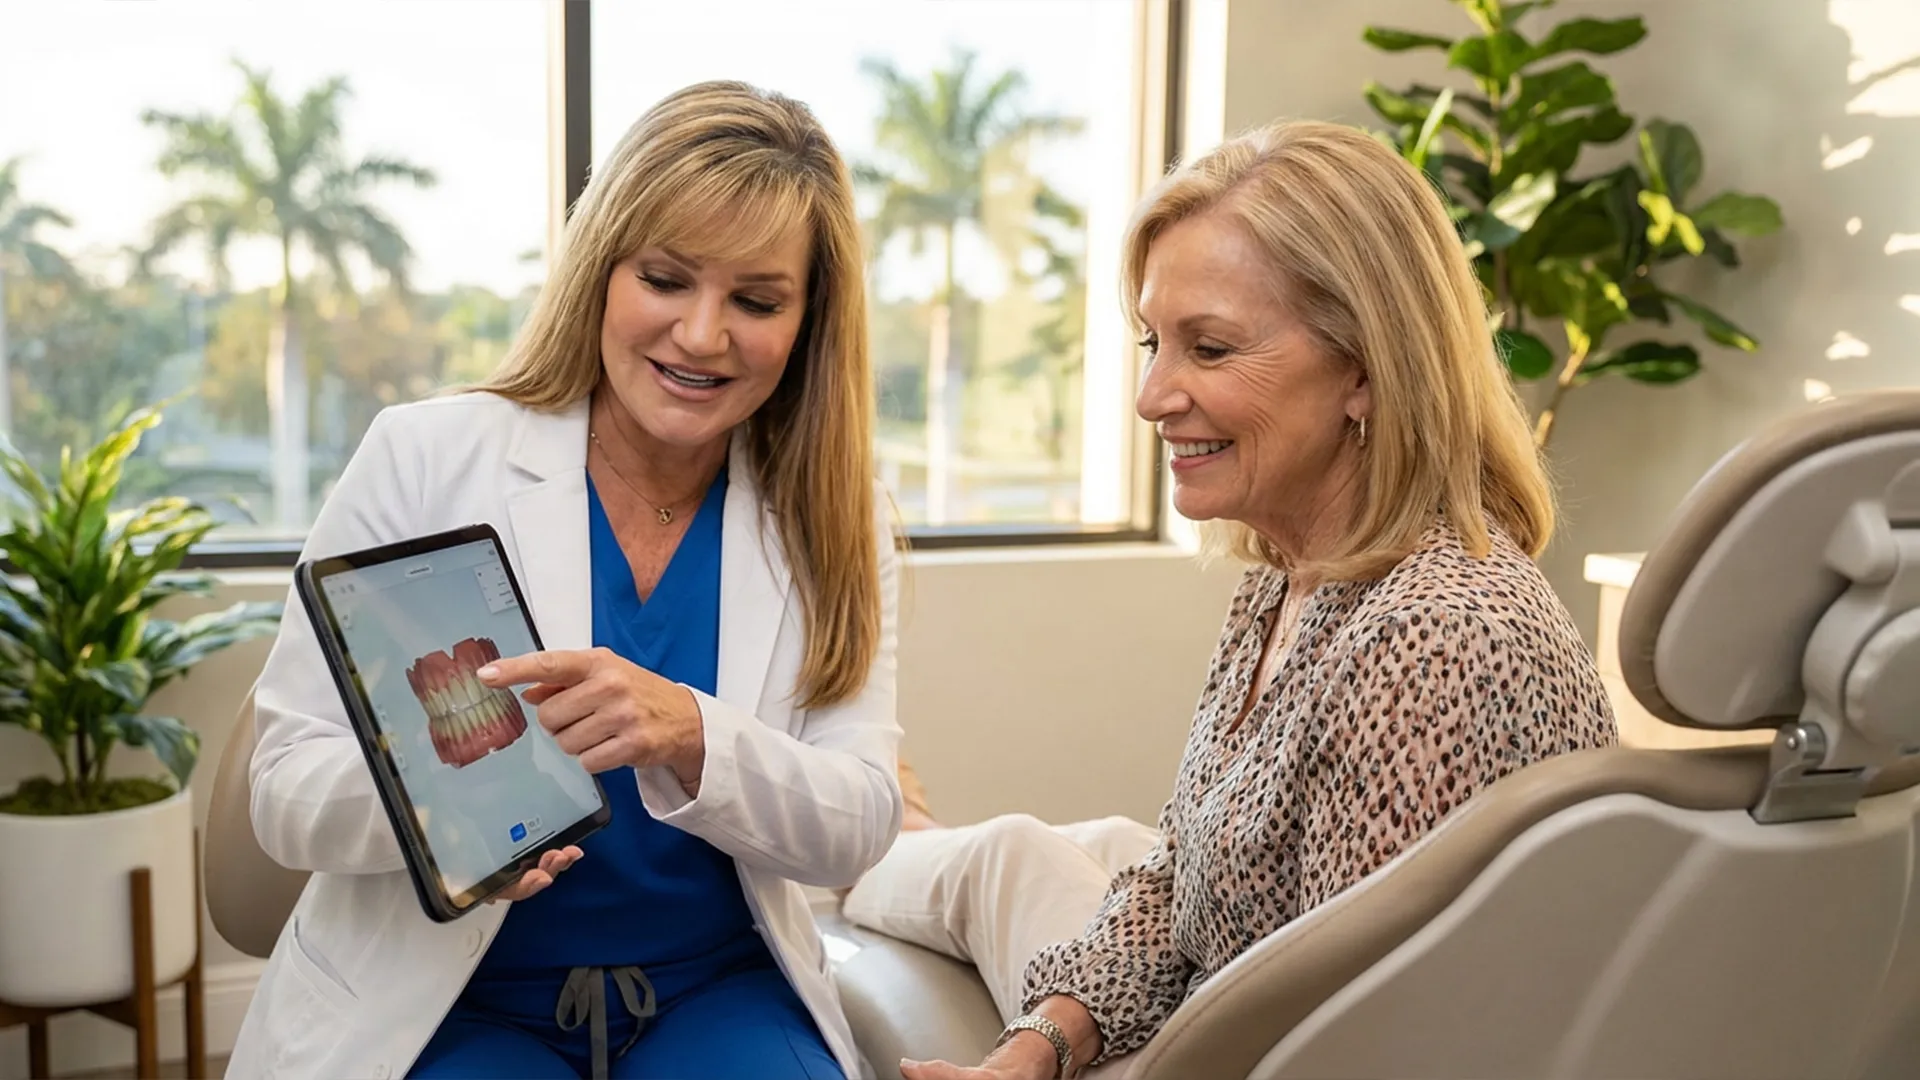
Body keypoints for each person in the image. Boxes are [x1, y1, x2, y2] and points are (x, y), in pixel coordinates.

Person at [840, 119, 1619, 1080]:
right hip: (1226, 994)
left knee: (1001, 858)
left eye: (1208, 350)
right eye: (1153, 343)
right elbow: (1178, 880)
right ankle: (880, 832)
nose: (1152, 395)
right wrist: (1037, 1048)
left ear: (1367, 370)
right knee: (1061, 848)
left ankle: (864, 838)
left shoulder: (1436, 639)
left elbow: (1354, 1044)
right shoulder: (1293, 579)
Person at [226, 80, 904, 1080]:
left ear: (808, 322)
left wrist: (689, 731)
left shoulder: (836, 518)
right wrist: (453, 817)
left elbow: (859, 823)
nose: (704, 334)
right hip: (451, 1003)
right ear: (602, 272)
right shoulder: (425, 460)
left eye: (756, 300)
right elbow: (284, 794)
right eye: (666, 279)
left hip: (718, 991)